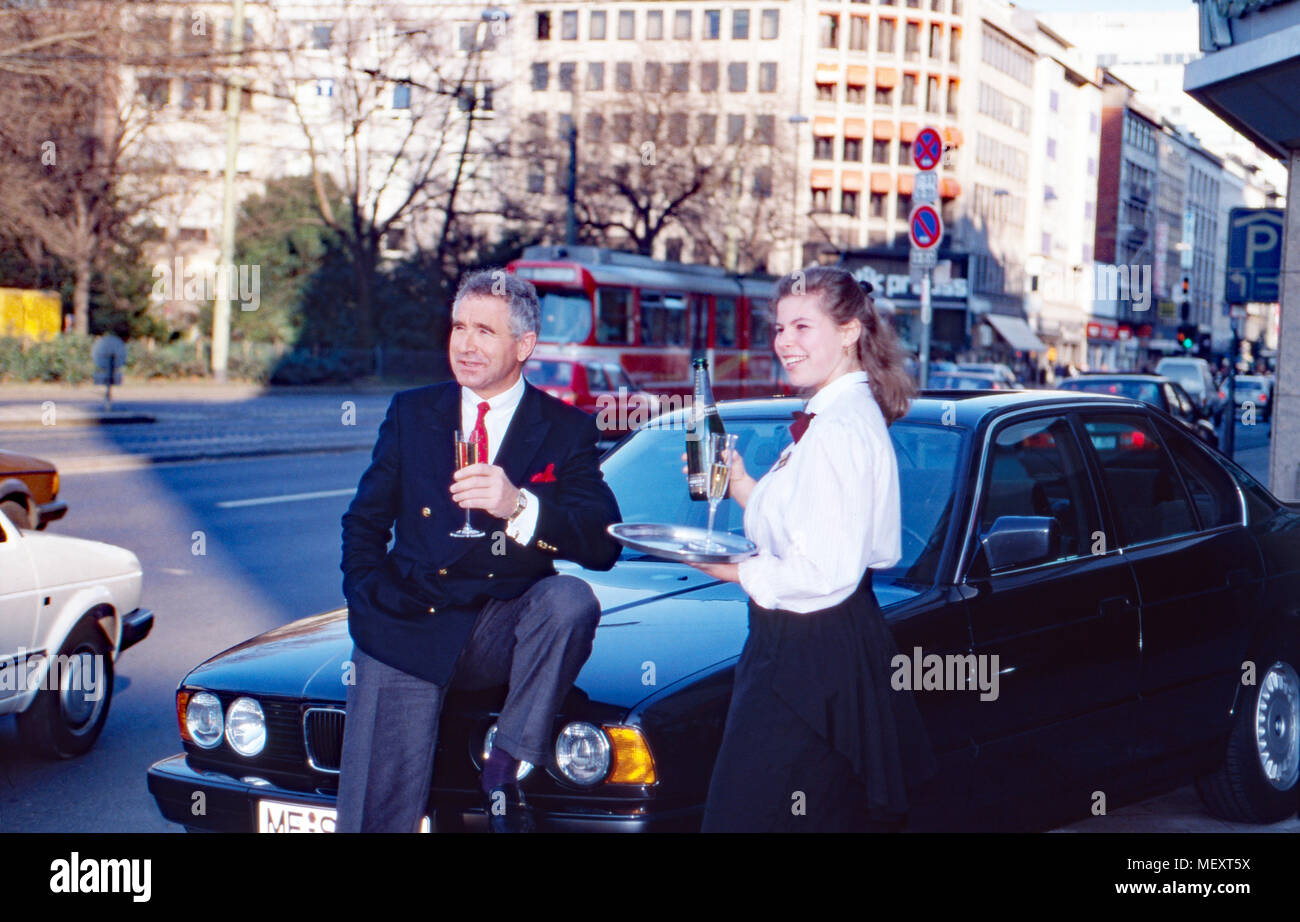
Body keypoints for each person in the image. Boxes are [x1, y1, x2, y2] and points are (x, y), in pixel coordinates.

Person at [337, 270, 621, 833]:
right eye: (459, 326)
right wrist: (368, 604)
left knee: (571, 599)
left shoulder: (566, 429)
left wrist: (519, 505)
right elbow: (363, 523)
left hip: (501, 622)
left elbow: (602, 541)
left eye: (485, 331)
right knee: (377, 811)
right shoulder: (412, 413)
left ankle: (507, 764)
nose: (465, 344)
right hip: (409, 617)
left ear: (524, 346)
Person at [690, 266, 937, 832]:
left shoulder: (840, 428)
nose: (784, 342)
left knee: (753, 819)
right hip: (808, 648)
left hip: (811, 654)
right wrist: (742, 485)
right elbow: (806, 529)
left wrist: (726, 568)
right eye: (779, 328)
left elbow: (825, 572)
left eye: (802, 326)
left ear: (849, 331)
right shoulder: (833, 417)